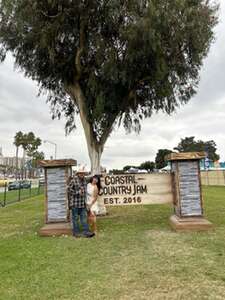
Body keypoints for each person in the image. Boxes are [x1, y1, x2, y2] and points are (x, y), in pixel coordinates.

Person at [68, 166, 95, 238]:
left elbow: (93, 178)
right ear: (78, 174)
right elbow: (69, 190)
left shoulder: (85, 180)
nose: (82, 175)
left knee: (84, 218)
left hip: (82, 203)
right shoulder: (73, 180)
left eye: (83, 173)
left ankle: (86, 232)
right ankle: (76, 233)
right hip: (75, 203)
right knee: (75, 219)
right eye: (81, 173)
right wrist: (77, 192)